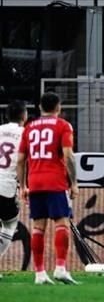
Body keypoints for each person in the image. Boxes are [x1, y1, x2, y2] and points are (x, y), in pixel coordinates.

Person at [15, 92, 79, 284]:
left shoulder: (29, 128)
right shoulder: (63, 126)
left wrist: (23, 185)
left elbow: (20, 160)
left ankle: (40, 273)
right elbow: (68, 156)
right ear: (58, 107)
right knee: (62, 224)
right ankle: (60, 268)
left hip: (35, 182)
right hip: (55, 182)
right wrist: (74, 182)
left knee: (38, 228)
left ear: (40, 108)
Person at [0, 101, 26, 266]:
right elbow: (24, 161)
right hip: (6, 186)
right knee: (9, 224)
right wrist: (23, 186)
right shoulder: (25, 133)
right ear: (24, 116)